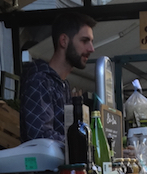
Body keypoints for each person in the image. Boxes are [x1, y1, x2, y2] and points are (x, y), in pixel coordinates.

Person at [19, 12, 96, 144]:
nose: (91, 49)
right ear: (64, 41)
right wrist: (84, 144)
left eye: (91, 42)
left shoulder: (62, 85)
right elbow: (41, 137)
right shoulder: (40, 81)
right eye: (84, 41)